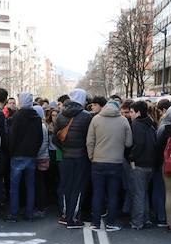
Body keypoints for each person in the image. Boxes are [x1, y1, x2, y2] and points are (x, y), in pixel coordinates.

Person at [86, 98, 132, 231]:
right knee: (113, 194)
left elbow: (90, 141)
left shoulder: (96, 119)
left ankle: (95, 223)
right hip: (116, 162)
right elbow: (128, 143)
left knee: (97, 193)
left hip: (98, 161)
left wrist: (91, 156)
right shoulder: (123, 120)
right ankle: (111, 223)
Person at [54, 89, 93, 229]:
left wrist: (63, 149)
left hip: (65, 156)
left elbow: (55, 138)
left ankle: (65, 215)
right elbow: (90, 138)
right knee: (78, 187)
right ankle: (74, 217)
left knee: (65, 185)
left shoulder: (60, 115)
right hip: (81, 157)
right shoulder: (87, 116)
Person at [6, 92, 43, 222]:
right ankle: (29, 213)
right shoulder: (36, 117)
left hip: (17, 155)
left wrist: (11, 152)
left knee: (14, 187)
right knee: (30, 186)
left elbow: (12, 137)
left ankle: (14, 214)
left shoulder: (17, 117)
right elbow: (40, 138)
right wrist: (34, 151)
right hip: (31, 156)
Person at [128, 100, 156, 230]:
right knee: (144, 192)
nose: (130, 114)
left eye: (131, 112)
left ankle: (137, 222)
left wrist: (132, 158)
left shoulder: (136, 125)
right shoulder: (151, 124)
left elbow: (138, 144)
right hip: (150, 163)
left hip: (139, 164)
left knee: (138, 193)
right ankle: (146, 218)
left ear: (138, 112)